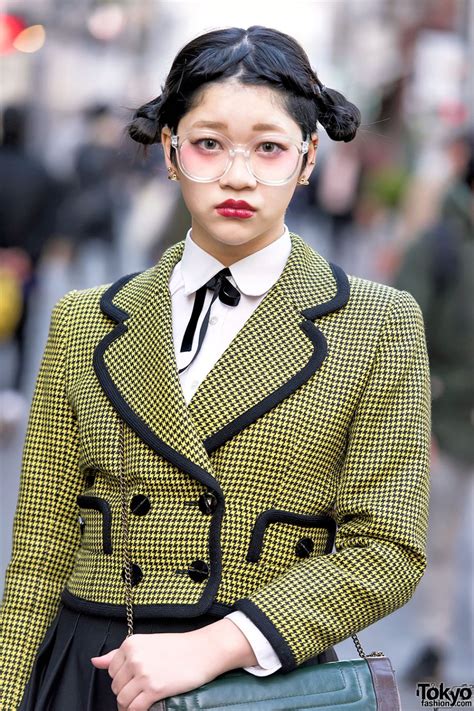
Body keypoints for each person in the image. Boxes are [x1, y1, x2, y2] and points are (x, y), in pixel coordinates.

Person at [0, 25, 431, 711]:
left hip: (262, 678)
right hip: (87, 672)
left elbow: (388, 547)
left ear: (309, 157)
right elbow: (39, 552)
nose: (238, 175)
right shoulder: (85, 320)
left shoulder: (378, 323)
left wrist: (219, 643)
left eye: (269, 147)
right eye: (208, 144)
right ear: (169, 151)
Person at [392, 130, 474, 682]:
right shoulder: (438, 249)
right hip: (446, 419)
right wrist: (421, 419)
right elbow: (404, 338)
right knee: (437, 542)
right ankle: (434, 642)